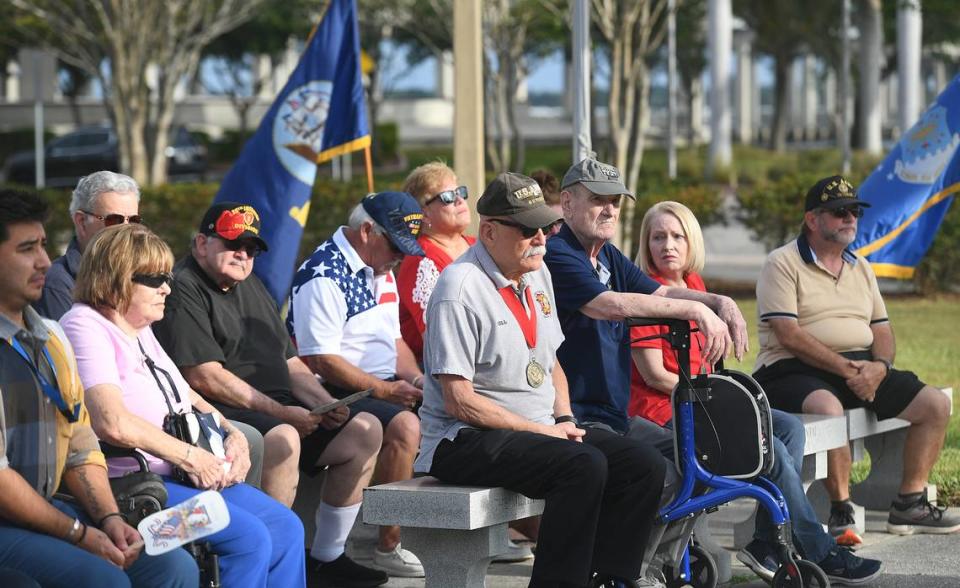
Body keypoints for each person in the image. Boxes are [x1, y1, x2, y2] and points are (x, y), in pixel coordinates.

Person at [415, 172, 666, 588]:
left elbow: (551, 363)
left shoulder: (536, 273)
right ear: (490, 231)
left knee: (643, 464)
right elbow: (459, 401)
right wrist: (541, 430)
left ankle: (607, 579)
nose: (541, 238)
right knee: (583, 466)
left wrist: (564, 418)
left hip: (534, 430)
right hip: (461, 438)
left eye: (545, 227)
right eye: (527, 229)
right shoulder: (459, 288)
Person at [628, 201, 882, 585]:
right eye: (658, 237)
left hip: (703, 401)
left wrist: (720, 394)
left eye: (677, 236)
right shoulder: (644, 293)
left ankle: (765, 540)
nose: (668, 245)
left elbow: (706, 363)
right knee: (773, 450)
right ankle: (816, 548)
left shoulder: (694, 286)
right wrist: (719, 397)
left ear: (691, 241)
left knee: (789, 430)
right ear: (645, 243)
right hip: (665, 409)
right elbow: (656, 374)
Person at [152, 202, 387, 587]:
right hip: (225, 412)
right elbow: (205, 376)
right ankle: (272, 557)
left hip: (279, 406)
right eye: (232, 243)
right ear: (201, 243)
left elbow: (290, 362)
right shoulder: (184, 288)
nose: (244, 254)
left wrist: (320, 404)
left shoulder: (251, 284)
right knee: (285, 436)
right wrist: (283, 412)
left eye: (252, 248)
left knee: (365, 429)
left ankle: (326, 557)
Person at [60, 223, 305, 586]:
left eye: (168, 276)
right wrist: (191, 457)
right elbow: (110, 422)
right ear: (116, 278)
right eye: (154, 277)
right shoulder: (85, 326)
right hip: (136, 492)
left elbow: (187, 394)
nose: (166, 287)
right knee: (247, 538)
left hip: (181, 480)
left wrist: (231, 432)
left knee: (286, 526)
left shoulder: (140, 327)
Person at [0, 188, 198, 587]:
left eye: (42, 245)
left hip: (53, 506)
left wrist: (109, 519)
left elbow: (80, 443)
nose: (43, 261)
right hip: (10, 521)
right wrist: (80, 533)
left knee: (175, 568)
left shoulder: (50, 337)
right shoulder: (79, 326)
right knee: (104, 578)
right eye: (26, 249)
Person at [754, 175, 959, 538]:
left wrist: (880, 368)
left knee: (934, 406)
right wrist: (849, 369)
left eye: (853, 211)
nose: (850, 218)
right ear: (813, 220)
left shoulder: (860, 267)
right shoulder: (782, 263)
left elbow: (881, 329)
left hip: (862, 366)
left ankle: (908, 504)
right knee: (828, 408)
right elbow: (789, 335)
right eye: (838, 212)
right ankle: (840, 508)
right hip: (790, 368)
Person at [287, 191, 426, 578]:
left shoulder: (380, 266)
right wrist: (386, 391)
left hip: (381, 385)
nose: (400, 256)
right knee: (404, 424)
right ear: (367, 231)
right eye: (396, 245)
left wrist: (416, 379)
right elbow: (321, 360)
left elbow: (393, 341)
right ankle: (389, 544)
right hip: (329, 390)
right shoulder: (324, 273)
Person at [396, 161, 475, 364]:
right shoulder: (420, 260)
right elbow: (438, 337)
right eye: (447, 197)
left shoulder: (478, 245)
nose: (459, 200)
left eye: (460, 192)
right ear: (424, 214)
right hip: (436, 368)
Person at [35, 171, 142, 320]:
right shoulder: (57, 284)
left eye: (133, 220)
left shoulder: (142, 276)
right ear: (81, 222)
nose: (126, 230)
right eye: (114, 220)